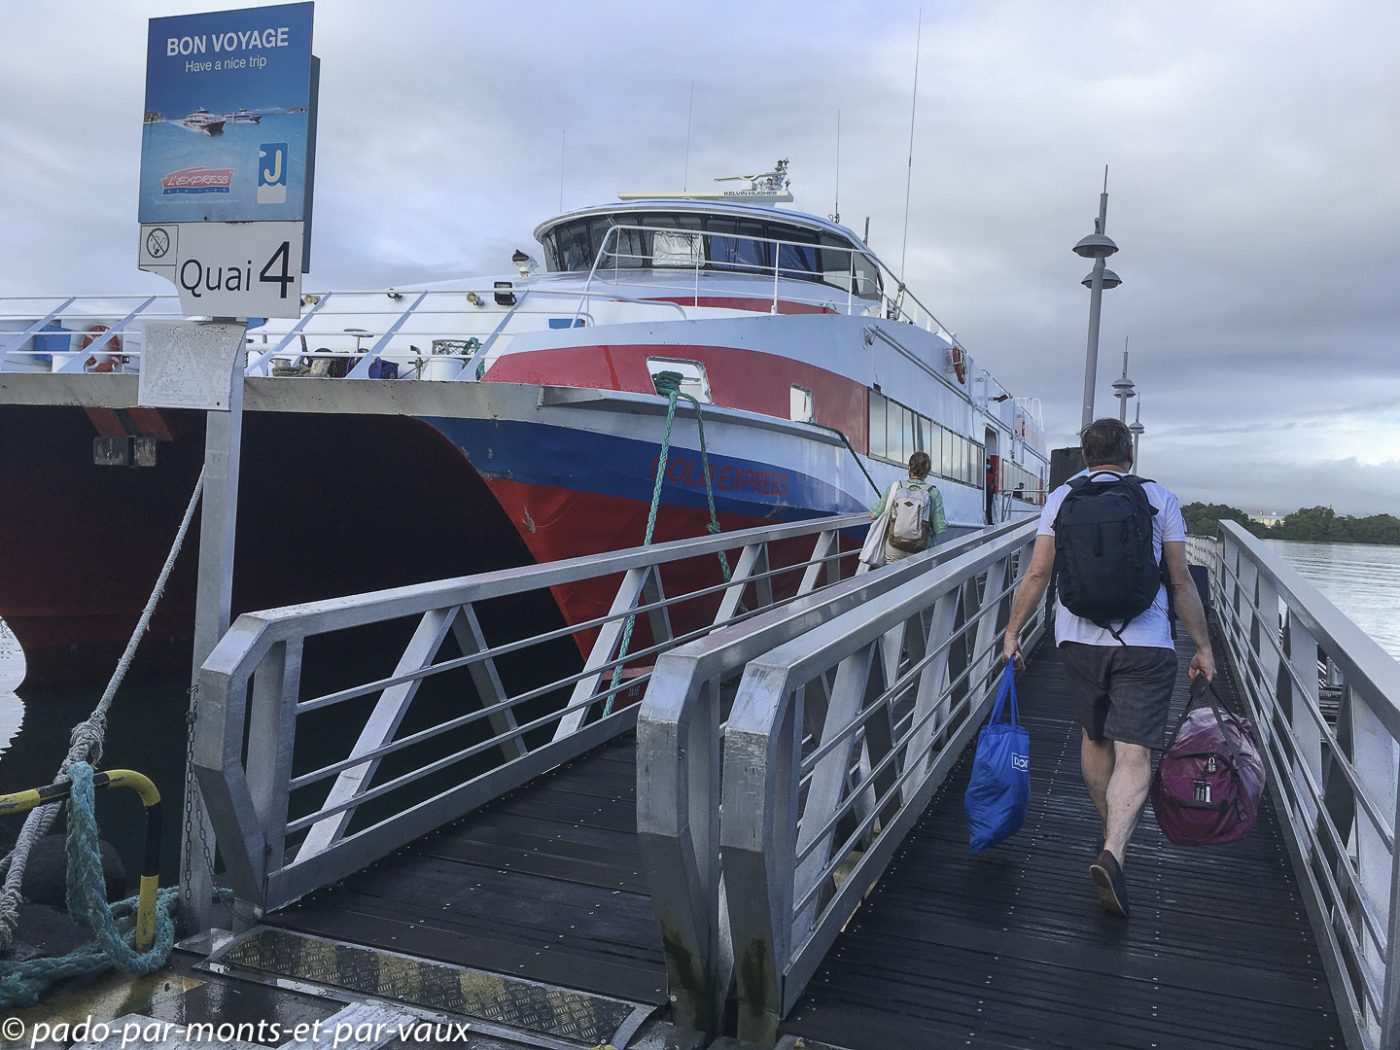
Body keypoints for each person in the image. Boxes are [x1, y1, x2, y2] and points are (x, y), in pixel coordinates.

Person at [999, 418, 1214, 918]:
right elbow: (1181, 583)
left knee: (1094, 739)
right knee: (1134, 749)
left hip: (1077, 639)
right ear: (1129, 454)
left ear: (1084, 454)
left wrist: (1011, 634)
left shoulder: (1061, 498)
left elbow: (1037, 572)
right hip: (1146, 641)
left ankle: (1108, 833)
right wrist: (1203, 647)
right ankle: (1115, 850)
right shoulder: (1160, 499)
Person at [870, 451, 948, 563]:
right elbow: (940, 527)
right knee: (919, 579)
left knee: (892, 578)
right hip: (921, 548)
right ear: (927, 471)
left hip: (895, 546)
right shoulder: (933, 492)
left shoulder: (895, 488)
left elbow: (874, 515)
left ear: (909, 468)